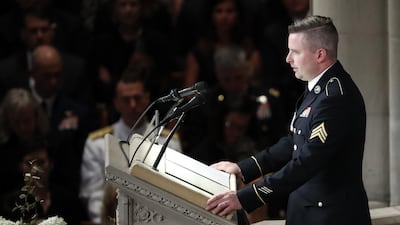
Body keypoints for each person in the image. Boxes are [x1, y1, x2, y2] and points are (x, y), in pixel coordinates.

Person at [205, 15, 372, 225]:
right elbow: (293, 142)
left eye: (295, 52)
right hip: (306, 213)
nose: (288, 59)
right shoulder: (318, 90)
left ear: (320, 54)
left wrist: (246, 197)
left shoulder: (335, 97)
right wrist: (243, 169)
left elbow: (307, 163)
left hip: (329, 217)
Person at [80, 63, 182, 224]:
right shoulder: (98, 143)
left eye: (138, 98)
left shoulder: (168, 141)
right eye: (126, 100)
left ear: (148, 98)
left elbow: (176, 191)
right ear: (116, 103)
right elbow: (94, 194)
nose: (133, 105)